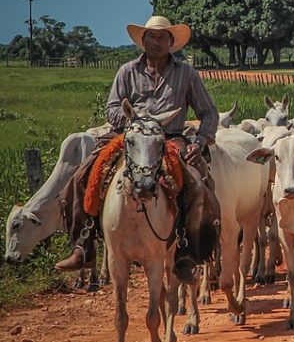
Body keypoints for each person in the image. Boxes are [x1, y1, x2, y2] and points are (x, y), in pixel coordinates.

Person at [54, 15, 221, 283]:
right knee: (83, 175)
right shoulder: (127, 71)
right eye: (151, 37)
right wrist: (135, 120)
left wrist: (199, 143)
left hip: (170, 137)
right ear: (142, 41)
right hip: (130, 136)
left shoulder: (186, 74)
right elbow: (111, 108)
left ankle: (186, 252)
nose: (156, 42)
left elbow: (209, 113)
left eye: (161, 37)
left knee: (198, 185)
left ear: (171, 42)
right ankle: (82, 246)